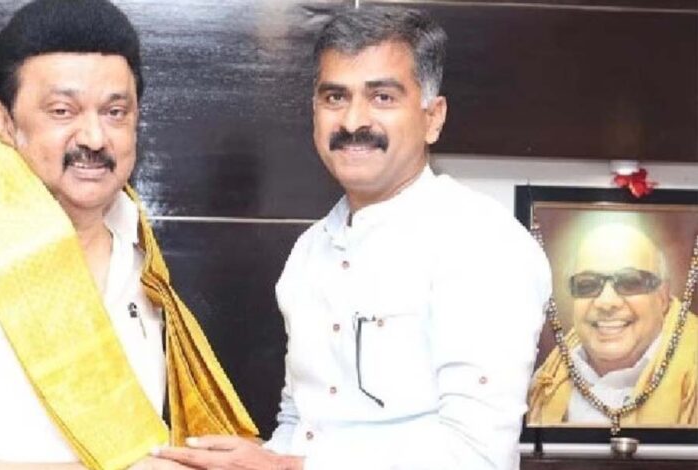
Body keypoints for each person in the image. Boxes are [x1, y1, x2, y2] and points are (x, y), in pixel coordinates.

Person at [154, 7, 551, 470]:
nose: (353, 120)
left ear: (432, 118)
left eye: (382, 97)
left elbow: (476, 455)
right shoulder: (309, 251)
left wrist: (284, 468)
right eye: (335, 97)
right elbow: (301, 424)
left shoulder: (482, 243)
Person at [0, 0, 257, 468]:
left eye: (115, 112)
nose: (95, 138)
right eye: (63, 111)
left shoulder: (142, 264)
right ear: (4, 120)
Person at [528, 222, 697, 425]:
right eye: (588, 284)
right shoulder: (545, 379)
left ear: (662, 297)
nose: (606, 302)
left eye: (629, 282)